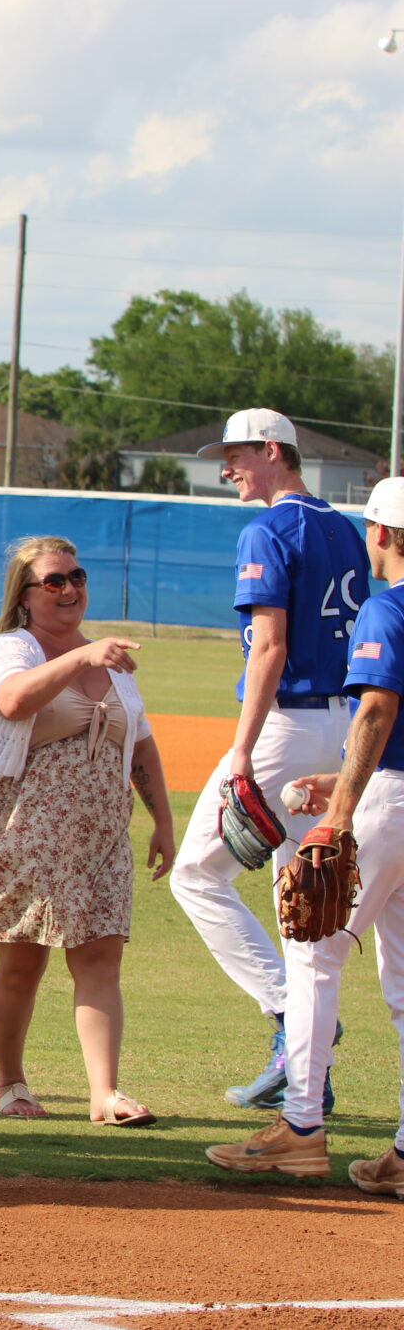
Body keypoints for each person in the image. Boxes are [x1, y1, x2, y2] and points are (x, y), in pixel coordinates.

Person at [0, 536, 175, 1124]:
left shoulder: (110, 660)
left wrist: (163, 820)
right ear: (24, 594)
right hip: (26, 829)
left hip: (99, 835)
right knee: (22, 963)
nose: (70, 589)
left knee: (100, 960)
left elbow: (140, 740)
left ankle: (105, 1095)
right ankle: (11, 1086)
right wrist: (82, 658)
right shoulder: (13, 647)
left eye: (77, 577)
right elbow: (14, 701)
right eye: (54, 581)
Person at [165, 409, 366, 1112]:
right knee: (300, 903)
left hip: (286, 724)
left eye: (237, 454)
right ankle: (307, 1077)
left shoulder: (268, 529)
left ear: (273, 450)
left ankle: (289, 1014)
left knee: (195, 875)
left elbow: (271, 648)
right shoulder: (347, 528)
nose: (227, 467)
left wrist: (242, 751)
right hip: (341, 726)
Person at [208, 476, 404, 1186]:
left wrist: (341, 811)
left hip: (386, 804)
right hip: (390, 791)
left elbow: (379, 713)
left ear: (379, 535)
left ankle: (300, 1126)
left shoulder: (387, 609)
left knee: (313, 957)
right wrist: (342, 779)